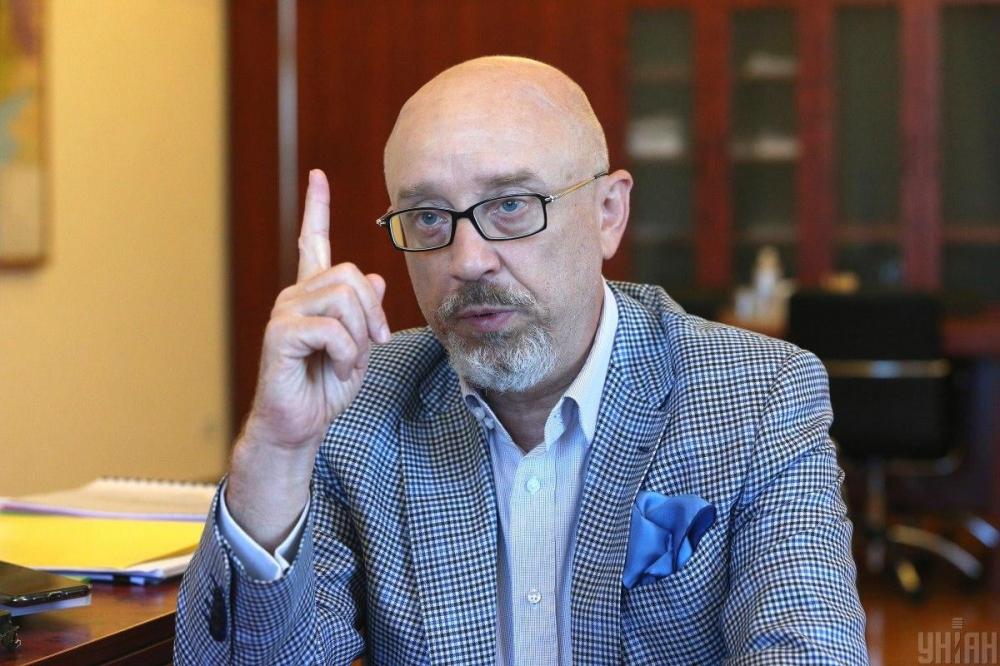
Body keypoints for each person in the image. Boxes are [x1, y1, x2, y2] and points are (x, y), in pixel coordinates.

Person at [174, 56, 868, 665]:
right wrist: (277, 447)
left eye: (510, 205)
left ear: (608, 213)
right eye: (428, 217)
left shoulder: (757, 395)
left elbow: (809, 648)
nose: (467, 260)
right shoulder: (362, 402)